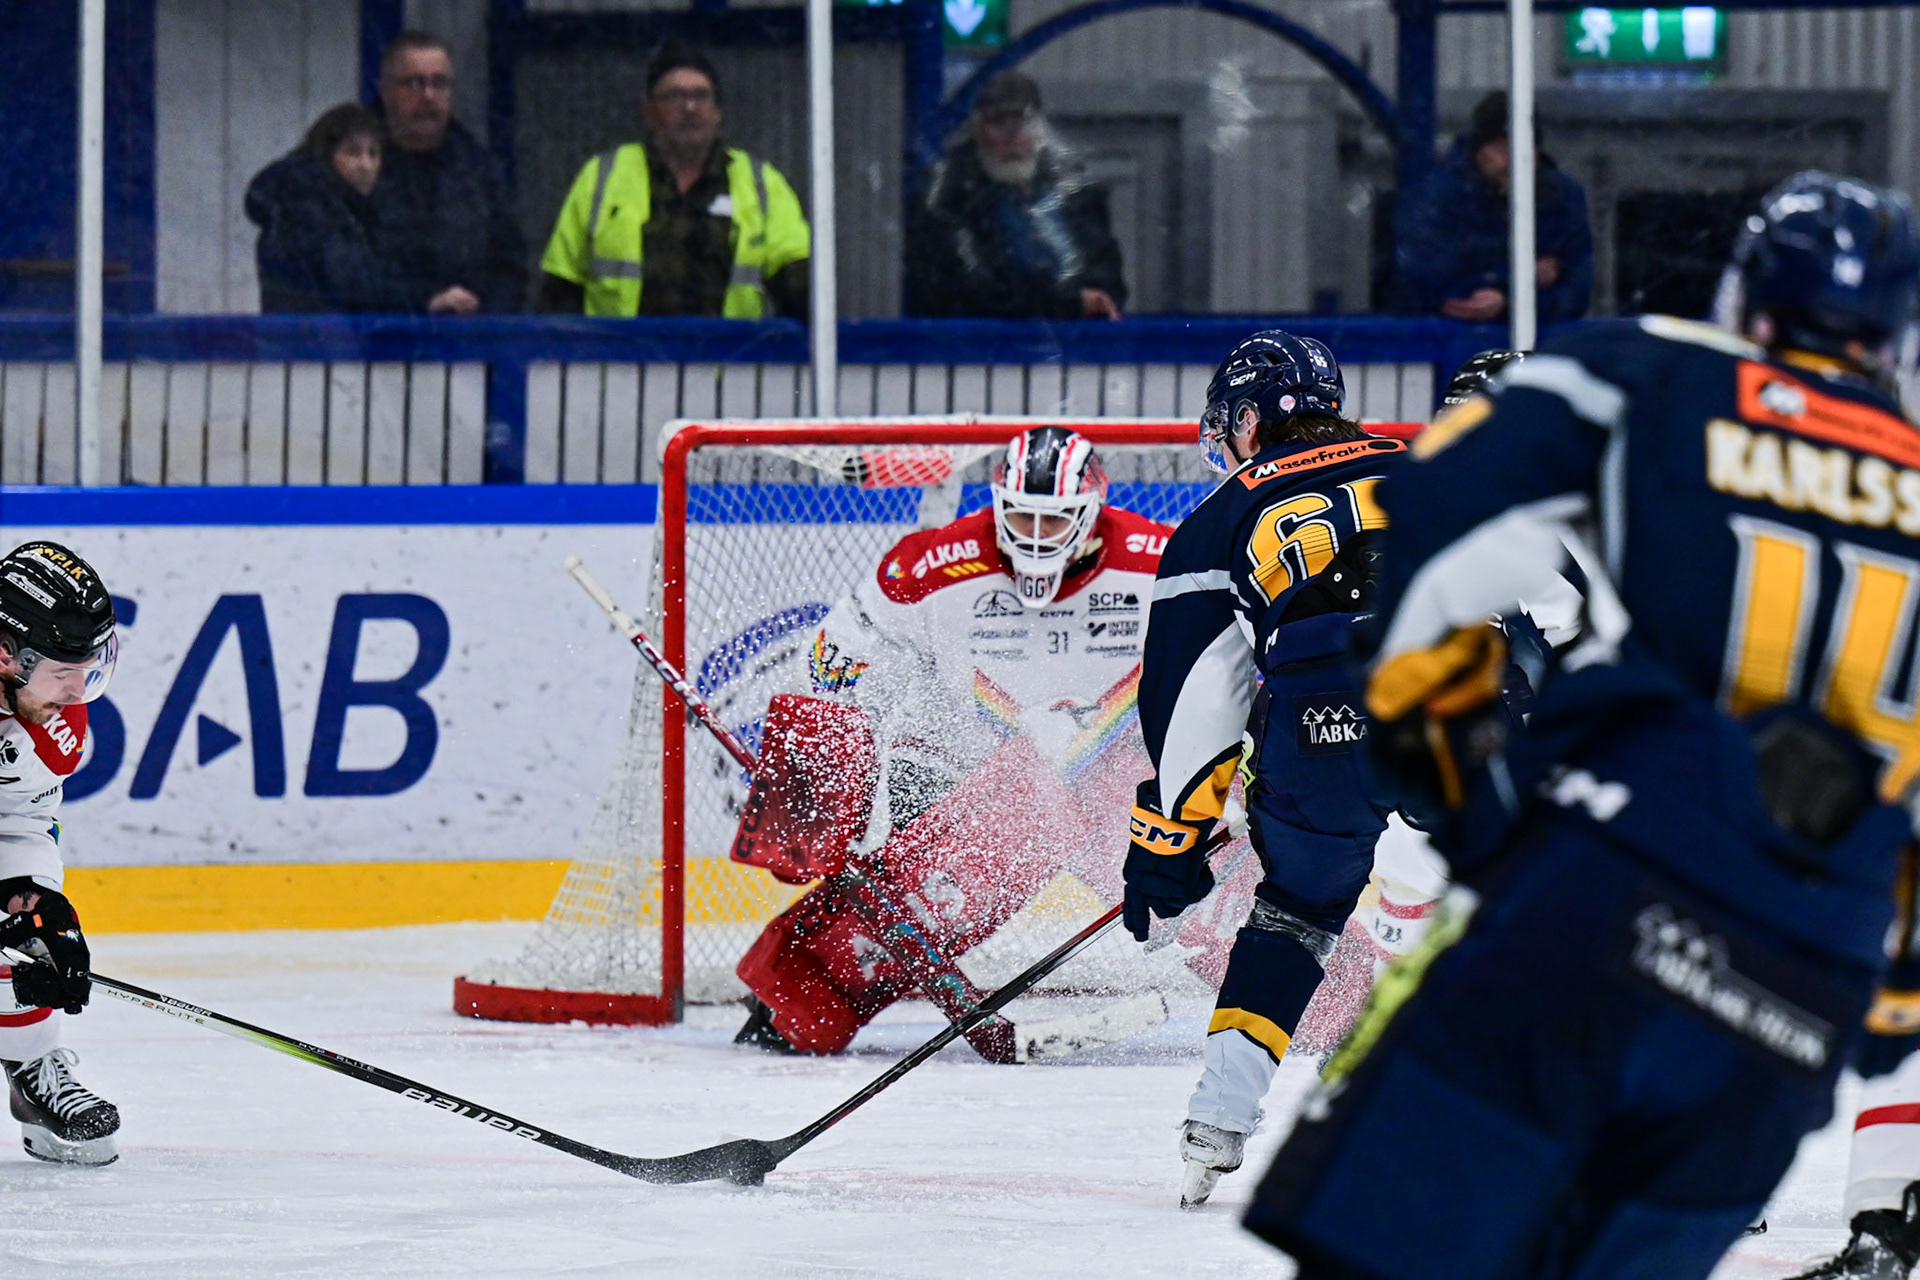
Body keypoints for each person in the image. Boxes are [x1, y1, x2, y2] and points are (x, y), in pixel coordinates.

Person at [1245, 171, 1920, 1279]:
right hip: (1803, 980)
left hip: (1607, 888)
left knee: (1394, 1255)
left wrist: (1463, 778)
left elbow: (1437, 511)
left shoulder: (1659, 368)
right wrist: (1885, 991)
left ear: (1749, 293)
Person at [728, 427, 1173, 1062]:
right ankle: (792, 1004)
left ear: (1091, 513)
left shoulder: (1163, 561)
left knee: (1214, 883)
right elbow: (831, 669)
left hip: (1115, 774)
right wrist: (830, 789)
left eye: (1053, 522)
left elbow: (1236, 660)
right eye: (1020, 517)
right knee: (914, 894)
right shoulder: (931, 564)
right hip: (962, 774)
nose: (1035, 538)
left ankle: (1306, 1003)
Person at [1122, 330, 1409, 1209]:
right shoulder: (1430, 465)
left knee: (1294, 915)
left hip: (1321, 731)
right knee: (1546, 895)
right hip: (1461, 703)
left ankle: (1215, 1128)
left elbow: (1196, 697)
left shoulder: (1219, 518)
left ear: (1249, 419)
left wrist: (1171, 837)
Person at [538, 43, 810, 319]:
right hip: (625, 348)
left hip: (726, 349)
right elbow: (558, 296)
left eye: (701, 96)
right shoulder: (601, 177)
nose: (690, 108)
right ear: (649, 111)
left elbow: (801, 286)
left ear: (718, 111)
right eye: (674, 97)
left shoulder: (762, 184)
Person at [0, 542, 120, 1165]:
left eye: (88, 667)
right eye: (64, 670)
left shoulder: (50, 722)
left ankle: (32, 1067)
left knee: (24, 935)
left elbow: (21, 819)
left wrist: (32, 900)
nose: (78, 692)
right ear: (6, 655)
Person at [906, 71, 1127, 321]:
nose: (1012, 138)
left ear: (1040, 129)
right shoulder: (947, 195)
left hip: (1073, 340)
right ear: (977, 129)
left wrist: (1083, 301)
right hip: (982, 343)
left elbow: (1108, 277)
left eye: (1023, 123)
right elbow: (971, 290)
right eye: (998, 123)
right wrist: (1070, 303)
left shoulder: (1072, 189)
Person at [1395, 91, 1592, 325]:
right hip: (1453, 342)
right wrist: (1522, 279)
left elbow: (1577, 293)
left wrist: (1503, 298)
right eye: (1501, 147)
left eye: (1525, 145)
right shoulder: (1440, 197)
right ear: (1479, 150)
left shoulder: (1562, 197)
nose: (1514, 159)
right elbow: (1430, 288)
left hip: (1537, 342)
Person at [372, 30, 527, 314]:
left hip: (467, 335)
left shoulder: (479, 171)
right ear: (385, 90)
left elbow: (510, 267)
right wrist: (422, 304)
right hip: (375, 336)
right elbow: (346, 274)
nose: (428, 96)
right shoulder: (352, 164)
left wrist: (481, 318)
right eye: (414, 83)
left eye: (440, 83)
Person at [244, 104, 411, 314]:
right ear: (326, 156)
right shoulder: (303, 213)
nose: (366, 165)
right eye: (353, 153)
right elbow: (351, 285)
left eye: (373, 154)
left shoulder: (367, 216)